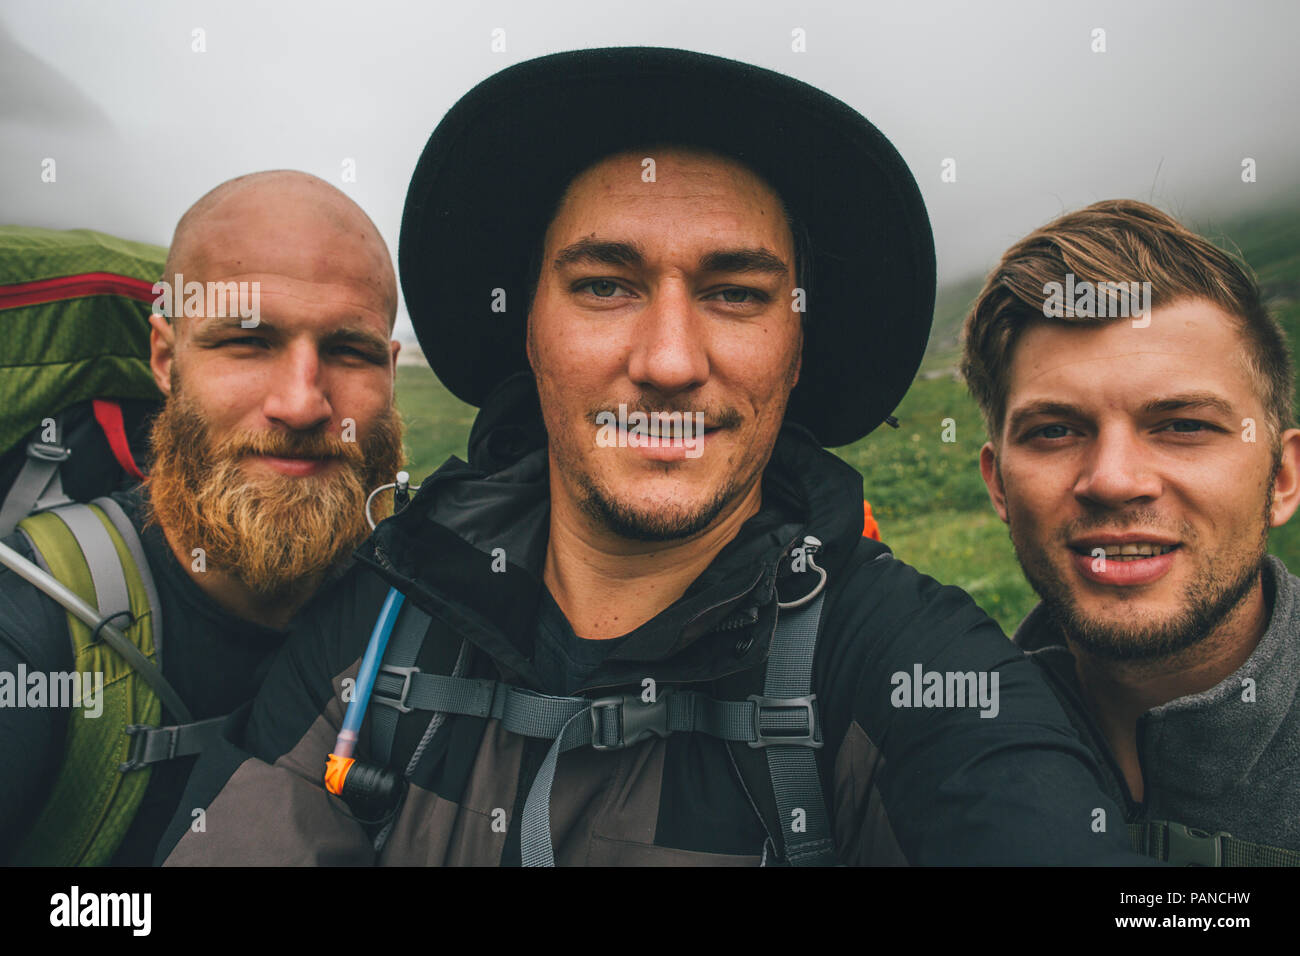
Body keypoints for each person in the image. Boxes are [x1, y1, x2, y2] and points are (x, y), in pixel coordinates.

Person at [158, 48, 1146, 866]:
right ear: (530, 328)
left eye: (736, 293)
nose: (669, 360)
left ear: (798, 347)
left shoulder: (901, 669)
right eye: (603, 284)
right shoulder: (378, 629)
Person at [0, 170, 405, 864]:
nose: (302, 405)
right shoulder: (32, 627)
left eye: (348, 350)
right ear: (165, 358)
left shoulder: (418, 600)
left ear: (391, 371)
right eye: (247, 341)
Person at [963, 199, 1300, 865]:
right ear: (999, 483)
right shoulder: (932, 754)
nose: (1114, 479)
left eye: (1184, 425)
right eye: (1054, 431)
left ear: (1282, 477)